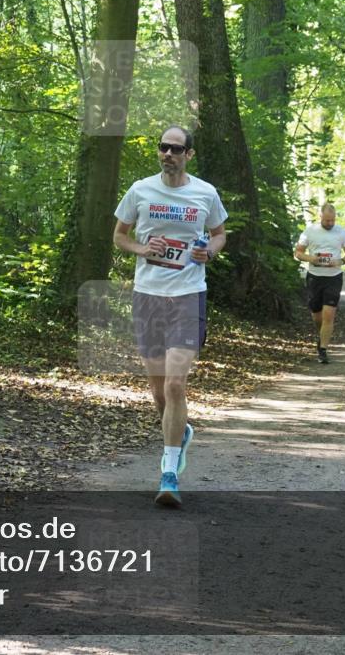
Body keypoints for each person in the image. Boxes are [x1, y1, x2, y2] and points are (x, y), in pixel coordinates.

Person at [113, 125, 228, 507]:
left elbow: (219, 234)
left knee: (176, 385)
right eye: (163, 147)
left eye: (176, 149)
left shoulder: (205, 193)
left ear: (189, 155)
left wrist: (208, 252)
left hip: (187, 294)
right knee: (159, 390)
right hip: (148, 295)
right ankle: (182, 432)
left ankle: (168, 471)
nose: (168, 154)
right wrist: (143, 249)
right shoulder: (140, 190)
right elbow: (120, 236)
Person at [294, 203, 345, 364]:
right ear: (320, 216)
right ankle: (322, 337)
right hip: (315, 277)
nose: (330, 223)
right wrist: (311, 258)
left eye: (332, 220)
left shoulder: (341, 232)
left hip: (334, 277)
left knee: (329, 314)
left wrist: (341, 261)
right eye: (327, 220)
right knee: (317, 315)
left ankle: (323, 350)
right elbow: (298, 252)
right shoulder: (310, 231)